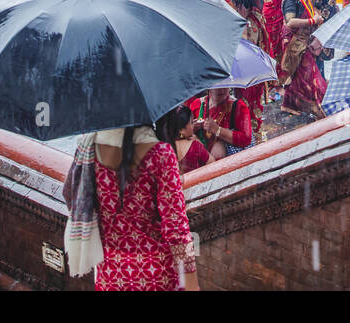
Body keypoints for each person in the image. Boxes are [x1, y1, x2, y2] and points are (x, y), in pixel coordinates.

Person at [66, 113, 198, 291]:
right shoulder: (160, 154)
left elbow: (71, 196)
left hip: (110, 274)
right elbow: (177, 228)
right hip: (156, 275)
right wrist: (192, 284)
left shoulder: (90, 148)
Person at [279, 0, 327, 119]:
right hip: (294, 41)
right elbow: (290, 21)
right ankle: (316, 105)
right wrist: (312, 21)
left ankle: (288, 104)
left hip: (304, 39)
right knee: (308, 74)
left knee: (298, 75)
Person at [190, 85, 252, 160]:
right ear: (208, 86)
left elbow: (246, 139)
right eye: (218, 86)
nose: (222, 90)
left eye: (225, 85)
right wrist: (192, 129)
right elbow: (183, 133)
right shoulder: (197, 105)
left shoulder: (239, 106)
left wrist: (217, 130)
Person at [169, 107, 210, 175]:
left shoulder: (165, 148)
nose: (193, 126)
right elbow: (212, 163)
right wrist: (197, 140)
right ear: (181, 130)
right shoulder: (195, 145)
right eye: (191, 122)